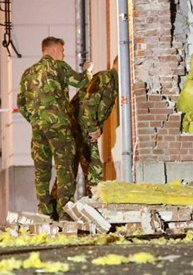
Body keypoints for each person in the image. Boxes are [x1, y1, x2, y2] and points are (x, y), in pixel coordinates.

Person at [17, 36, 92, 220]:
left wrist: (36, 119)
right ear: (53, 50)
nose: (63, 54)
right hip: (59, 127)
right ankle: (64, 210)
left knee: (41, 171)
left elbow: (21, 104)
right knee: (64, 167)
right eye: (62, 50)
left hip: (38, 128)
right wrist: (88, 71)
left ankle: (44, 212)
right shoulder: (58, 67)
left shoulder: (28, 73)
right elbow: (81, 82)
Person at [69, 58, 119, 196]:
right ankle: (55, 212)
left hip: (83, 130)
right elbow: (88, 103)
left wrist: (98, 129)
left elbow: (100, 112)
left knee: (90, 172)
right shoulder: (105, 78)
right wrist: (93, 129)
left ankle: (93, 206)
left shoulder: (114, 84)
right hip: (77, 129)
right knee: (73, 173)